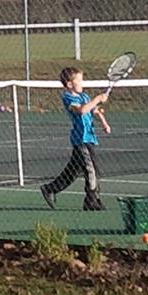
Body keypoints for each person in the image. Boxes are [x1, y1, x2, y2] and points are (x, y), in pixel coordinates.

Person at [38, 65, 109, 211]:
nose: (82, 83)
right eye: (79, 81)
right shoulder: (68, 98)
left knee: (72, 171)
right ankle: (91, 200)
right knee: (92, 169)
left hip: (90, 137)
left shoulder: (85, 97)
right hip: (81, 140)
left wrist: (104, 123)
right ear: (70, 84)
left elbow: (94, 110)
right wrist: (98, 99)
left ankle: (50, 188)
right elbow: (82, 110)